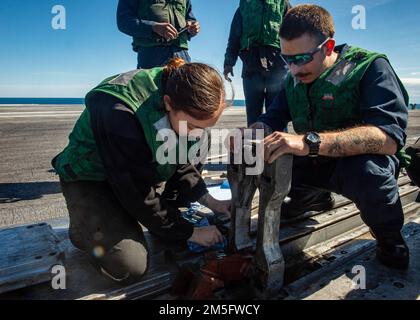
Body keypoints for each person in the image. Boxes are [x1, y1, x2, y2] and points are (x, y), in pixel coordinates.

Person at [252, 5, 410, 269]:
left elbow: (389, 138)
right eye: (286, 59)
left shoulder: (369, 67)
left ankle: (388, 235)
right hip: (313, 162)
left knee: (369, 172)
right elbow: (273, 117)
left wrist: (308, 142)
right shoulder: (295, 77)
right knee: (274, 154)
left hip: (356, 165)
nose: (293, 69)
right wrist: (252, 132)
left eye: (301, 58)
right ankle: (310, 197)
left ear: (328, 47)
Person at [52, 59, 230, 285]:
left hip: (136, 175)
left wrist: (210, 201)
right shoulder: (117, 108)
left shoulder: (183, 107)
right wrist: (190, 232)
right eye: (194, 126)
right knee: (129, 267)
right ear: (168, 103)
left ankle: (130, 222)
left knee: (168, 234)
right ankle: (83, 228)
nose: (197, 135)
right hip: (91, 179)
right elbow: (134, 189)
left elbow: (181, 161)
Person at [223, 0, 292, 126]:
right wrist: (229, 62)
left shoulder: (284, 4)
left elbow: (294, 33)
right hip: (251, 63)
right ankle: (255, 145)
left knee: (278, 112)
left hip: (278, 63)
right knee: (253, 114)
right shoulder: (243, 7)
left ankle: (278, 144)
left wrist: (295, 61)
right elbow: (234, 37)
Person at [117, 0, 200, 69]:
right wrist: (153, 27)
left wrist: (193, 27)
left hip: (182, 54)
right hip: (151, 54)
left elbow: (190, 19)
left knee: (185, 87)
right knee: (153, 88)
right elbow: (124, 22)